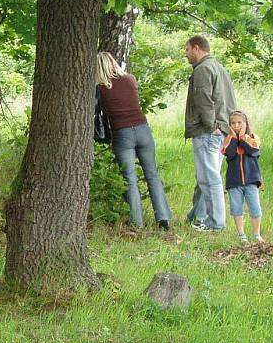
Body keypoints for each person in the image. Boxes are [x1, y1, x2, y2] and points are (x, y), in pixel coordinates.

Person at [96, 52, 172, 229]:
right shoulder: (130, 79)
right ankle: (163, 218)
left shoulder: (101, 88)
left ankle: (136, 223)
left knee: (130, 179)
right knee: (152, 174)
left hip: (122, 133)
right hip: (143, 129)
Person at [184, 34, 236, 231]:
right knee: (204, 177)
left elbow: (204, 100)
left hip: (208, 131)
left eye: (187, 50)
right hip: (221, 129)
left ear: (197, 48)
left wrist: (211, 125)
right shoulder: (219, 67)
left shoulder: (203, 69)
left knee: (209, 178)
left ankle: (215, 224)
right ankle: (196, 217)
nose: (186, 54)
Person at [222, 110, 263, 242]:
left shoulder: (252, 138)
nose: (236, 125)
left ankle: (257, 234)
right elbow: (230, 154)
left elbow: (253, 151)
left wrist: (243, 137)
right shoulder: (228, 140)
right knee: (236, 208)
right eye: (233, 123)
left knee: (255, 208)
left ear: (246, 123)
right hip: (234, 182)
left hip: (251, 180)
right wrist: (234, 138)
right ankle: (241, 235)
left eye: (240, 123)